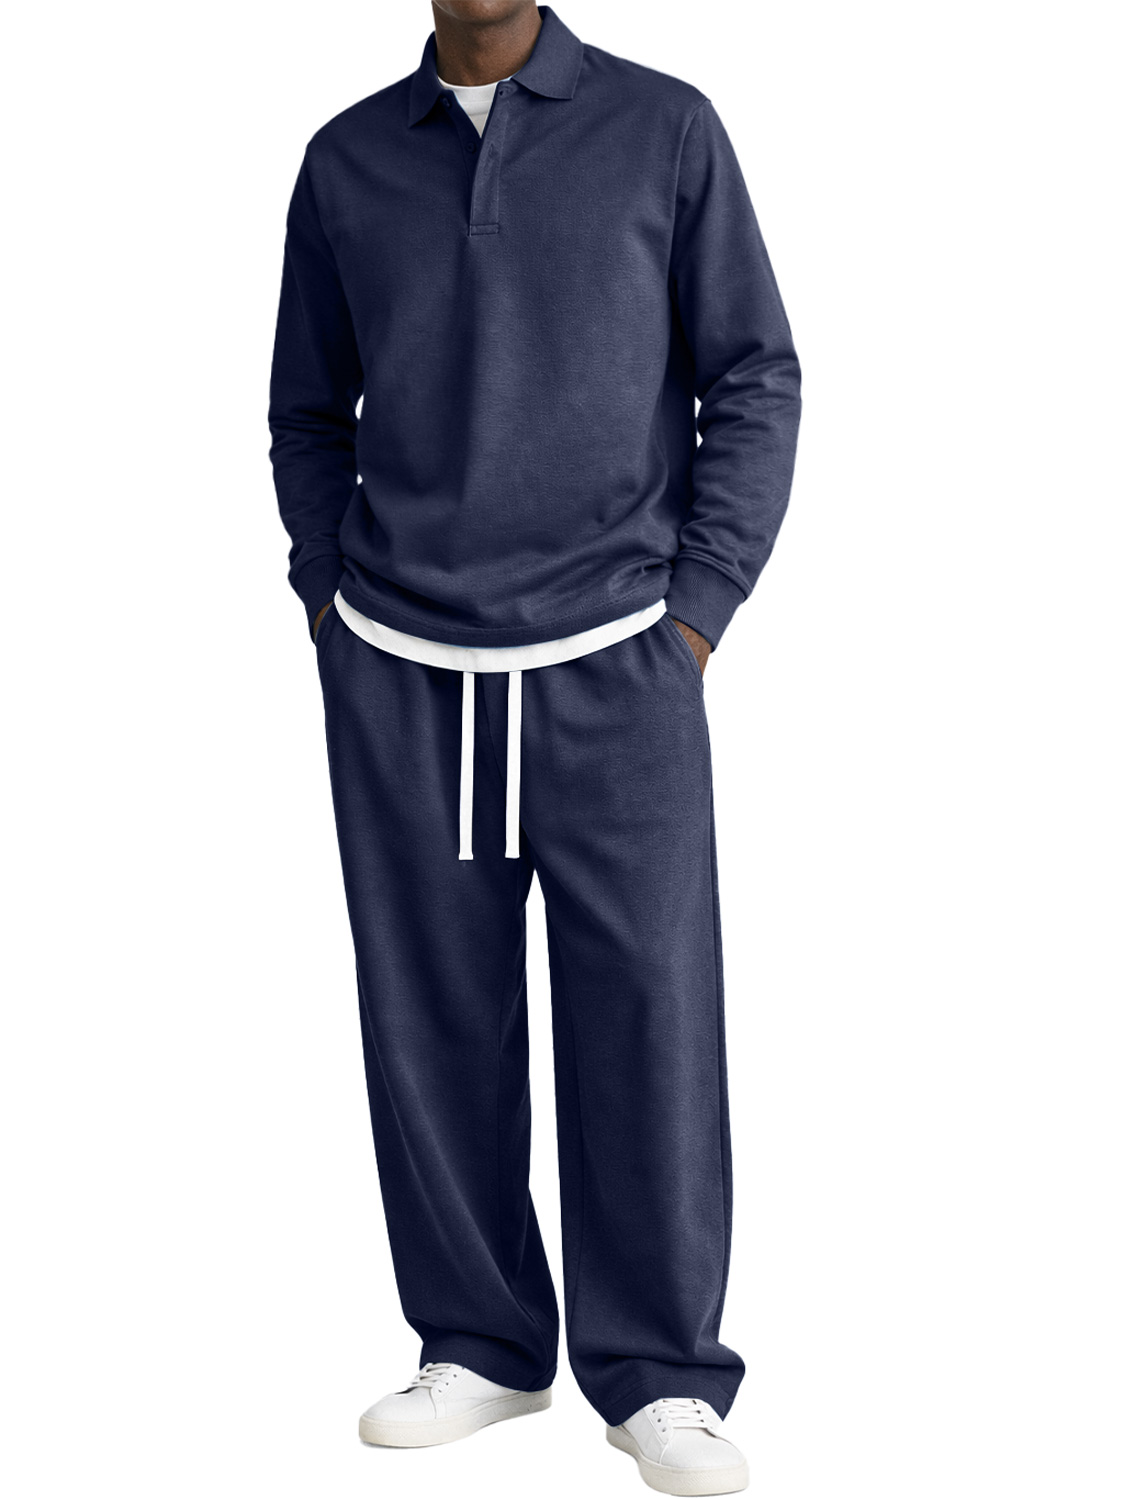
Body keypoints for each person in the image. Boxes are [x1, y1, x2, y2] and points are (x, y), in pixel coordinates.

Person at [267, 3, 800, 1492]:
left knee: (649, 1013)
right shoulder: (346, 160)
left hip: (618, 655)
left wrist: (696, 614)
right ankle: (484, 1344)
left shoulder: (666, 128)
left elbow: (755, 372)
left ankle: (661, 1376)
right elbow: (305, 410)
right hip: (402, 662)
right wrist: (330, 599)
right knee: (431, 1012)